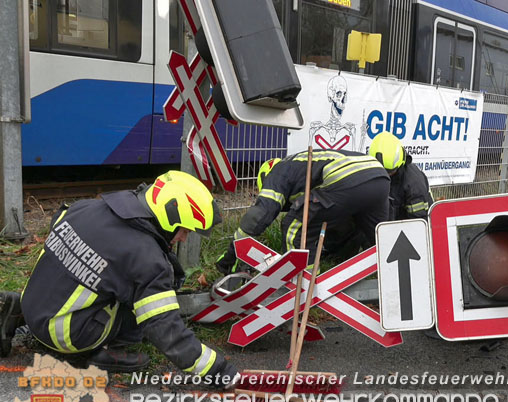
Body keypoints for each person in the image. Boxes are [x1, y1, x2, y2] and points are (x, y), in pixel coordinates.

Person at [3, 171, 238, 383]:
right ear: (170, 217)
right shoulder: (145, 259)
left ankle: (17, 312)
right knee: (137, 305)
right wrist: (218, 370)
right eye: (185, 230)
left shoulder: (86, 208)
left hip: (33, 302)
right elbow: (164, 327)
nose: (184, 239)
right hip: (66, 337)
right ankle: (108, 351)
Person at [216, 149, 390, 274]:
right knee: (380, 239)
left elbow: (259, 216)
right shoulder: (300, 166)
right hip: (379, 177)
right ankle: (387, 277)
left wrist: (231, 255)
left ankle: (304, 281)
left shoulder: (277, 172)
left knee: (294, 225)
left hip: (346, 176)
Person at [368, 131, 434, 221]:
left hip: (406, 226)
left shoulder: (414, 184)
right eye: (380, 171)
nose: (385, 176)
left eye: (389, 172)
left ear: (400, 163)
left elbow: (419, 222)